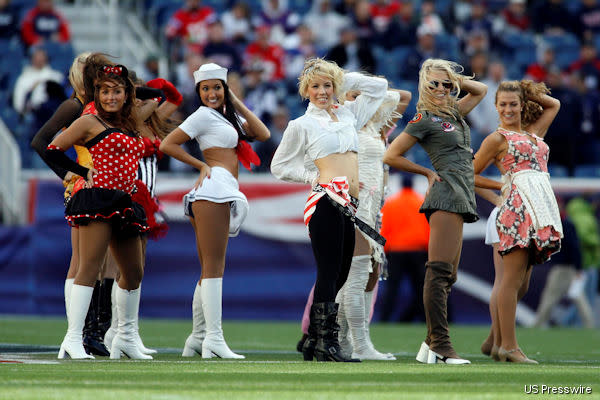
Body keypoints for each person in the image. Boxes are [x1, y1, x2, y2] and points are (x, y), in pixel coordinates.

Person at [271, 58, 387, 362]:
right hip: (325, 201)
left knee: (342, 273)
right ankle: (326, 343)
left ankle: (313, 340)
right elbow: (279, 166)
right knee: (329, 272)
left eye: (327, 86)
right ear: (306, 91)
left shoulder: (348, 115)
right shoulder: (302, 124)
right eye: (316, 86)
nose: (322, 91)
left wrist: (338, 77)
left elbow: (380, 88)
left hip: (349, 203)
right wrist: (315, 179)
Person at [160, 63, 270, 359]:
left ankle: (198, 338)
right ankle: (214, 339)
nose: (211, 93)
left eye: (216, 87)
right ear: (198, 91)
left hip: (222, 189)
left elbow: (262, 133)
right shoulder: (202, 115)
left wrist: (234, 101)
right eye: (205, 88)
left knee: (209, 269)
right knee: (214, 269)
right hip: (213, 188)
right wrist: (201, 165)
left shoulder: (225, 116)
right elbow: (167, 144)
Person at [383, 58, 487, 364]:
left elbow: (479, 90)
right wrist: (426, 173)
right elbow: (391, 155)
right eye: (434, 84)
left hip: (461, 194)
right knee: (439, 272)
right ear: (423, 86)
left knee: (448, 275)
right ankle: (441, 346)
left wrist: (451, 76)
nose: (441, 88)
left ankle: (429, 345)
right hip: (445, 195)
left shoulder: (453, 112)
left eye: (446, 84)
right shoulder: (424, 118)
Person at [43, 64, 150, 360]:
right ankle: (73, 338)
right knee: (89, 268)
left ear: (127, 94)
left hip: (125, 201)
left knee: (134, 272)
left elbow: (163, 98)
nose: (110, 97)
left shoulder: (131, 122)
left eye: (117, 91)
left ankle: (125, 338)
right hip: (97, 200)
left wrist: (138, 91)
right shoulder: (89, 121)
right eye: (104, 91)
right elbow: (51, 148)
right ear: (97, 93)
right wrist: (79, 171)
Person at [472, 79, 562, 363]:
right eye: (503, 105)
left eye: (514, 104)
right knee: (509, 283)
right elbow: (468, 175)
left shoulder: (534, 133)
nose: (508, 109)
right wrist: (501, 191)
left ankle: (495, 340)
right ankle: (508, 347)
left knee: (519, 284)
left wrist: (525, 89)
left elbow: (554, 104)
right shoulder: (497, 139)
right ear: (495, 107)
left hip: (538, 212)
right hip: (516, 211)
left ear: (523, 106)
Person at [334, 78, 410, 360]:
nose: (358, 100)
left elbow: (404, 96)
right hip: (353, 205)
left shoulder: (373, 125)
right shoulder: (344, 121)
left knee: (370, 275)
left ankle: (343, 342)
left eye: (361, 96)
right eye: (351, 96)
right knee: (355, 275)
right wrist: (352, 89)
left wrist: (363, 89)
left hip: (373, 209)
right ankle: (359, 345)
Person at [379, 174, 429, 323]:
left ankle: (384, 320)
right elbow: (429, 228)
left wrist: (385, 249)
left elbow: (384, 228)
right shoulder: (421, 202)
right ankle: (425, 320)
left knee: (392, 289)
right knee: (420, 288)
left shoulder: (391, 203)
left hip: (396, 251)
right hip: (418, 251)